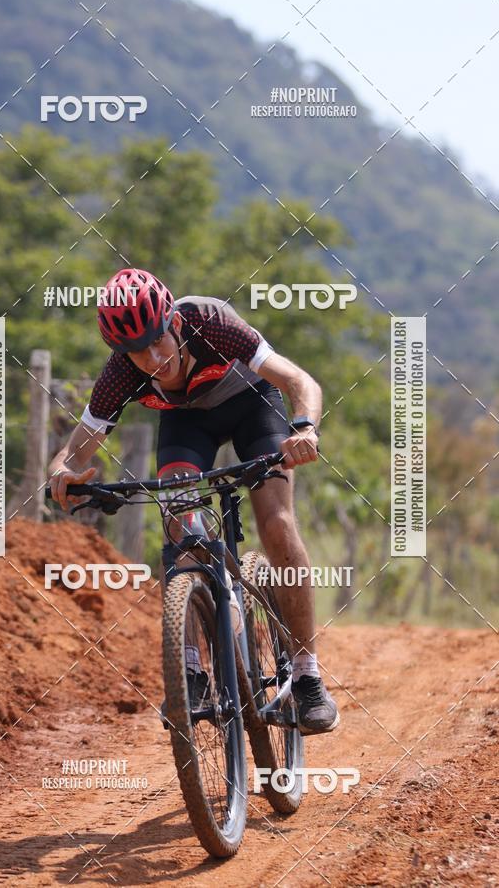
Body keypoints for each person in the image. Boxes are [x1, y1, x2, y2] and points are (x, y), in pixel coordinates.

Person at [48, 268, 339, 734]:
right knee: (182, 532)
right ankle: (192, 670)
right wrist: (62, 470)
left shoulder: (211, 320)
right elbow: (77, 445)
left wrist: (305, 427)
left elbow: (299, 380)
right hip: (188, 426)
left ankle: (307, 674)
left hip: (253, 407)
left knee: (277, 522)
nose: (153, 358)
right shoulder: (122, 371)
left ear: (175, 325)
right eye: (136, 352)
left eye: (158, 341)